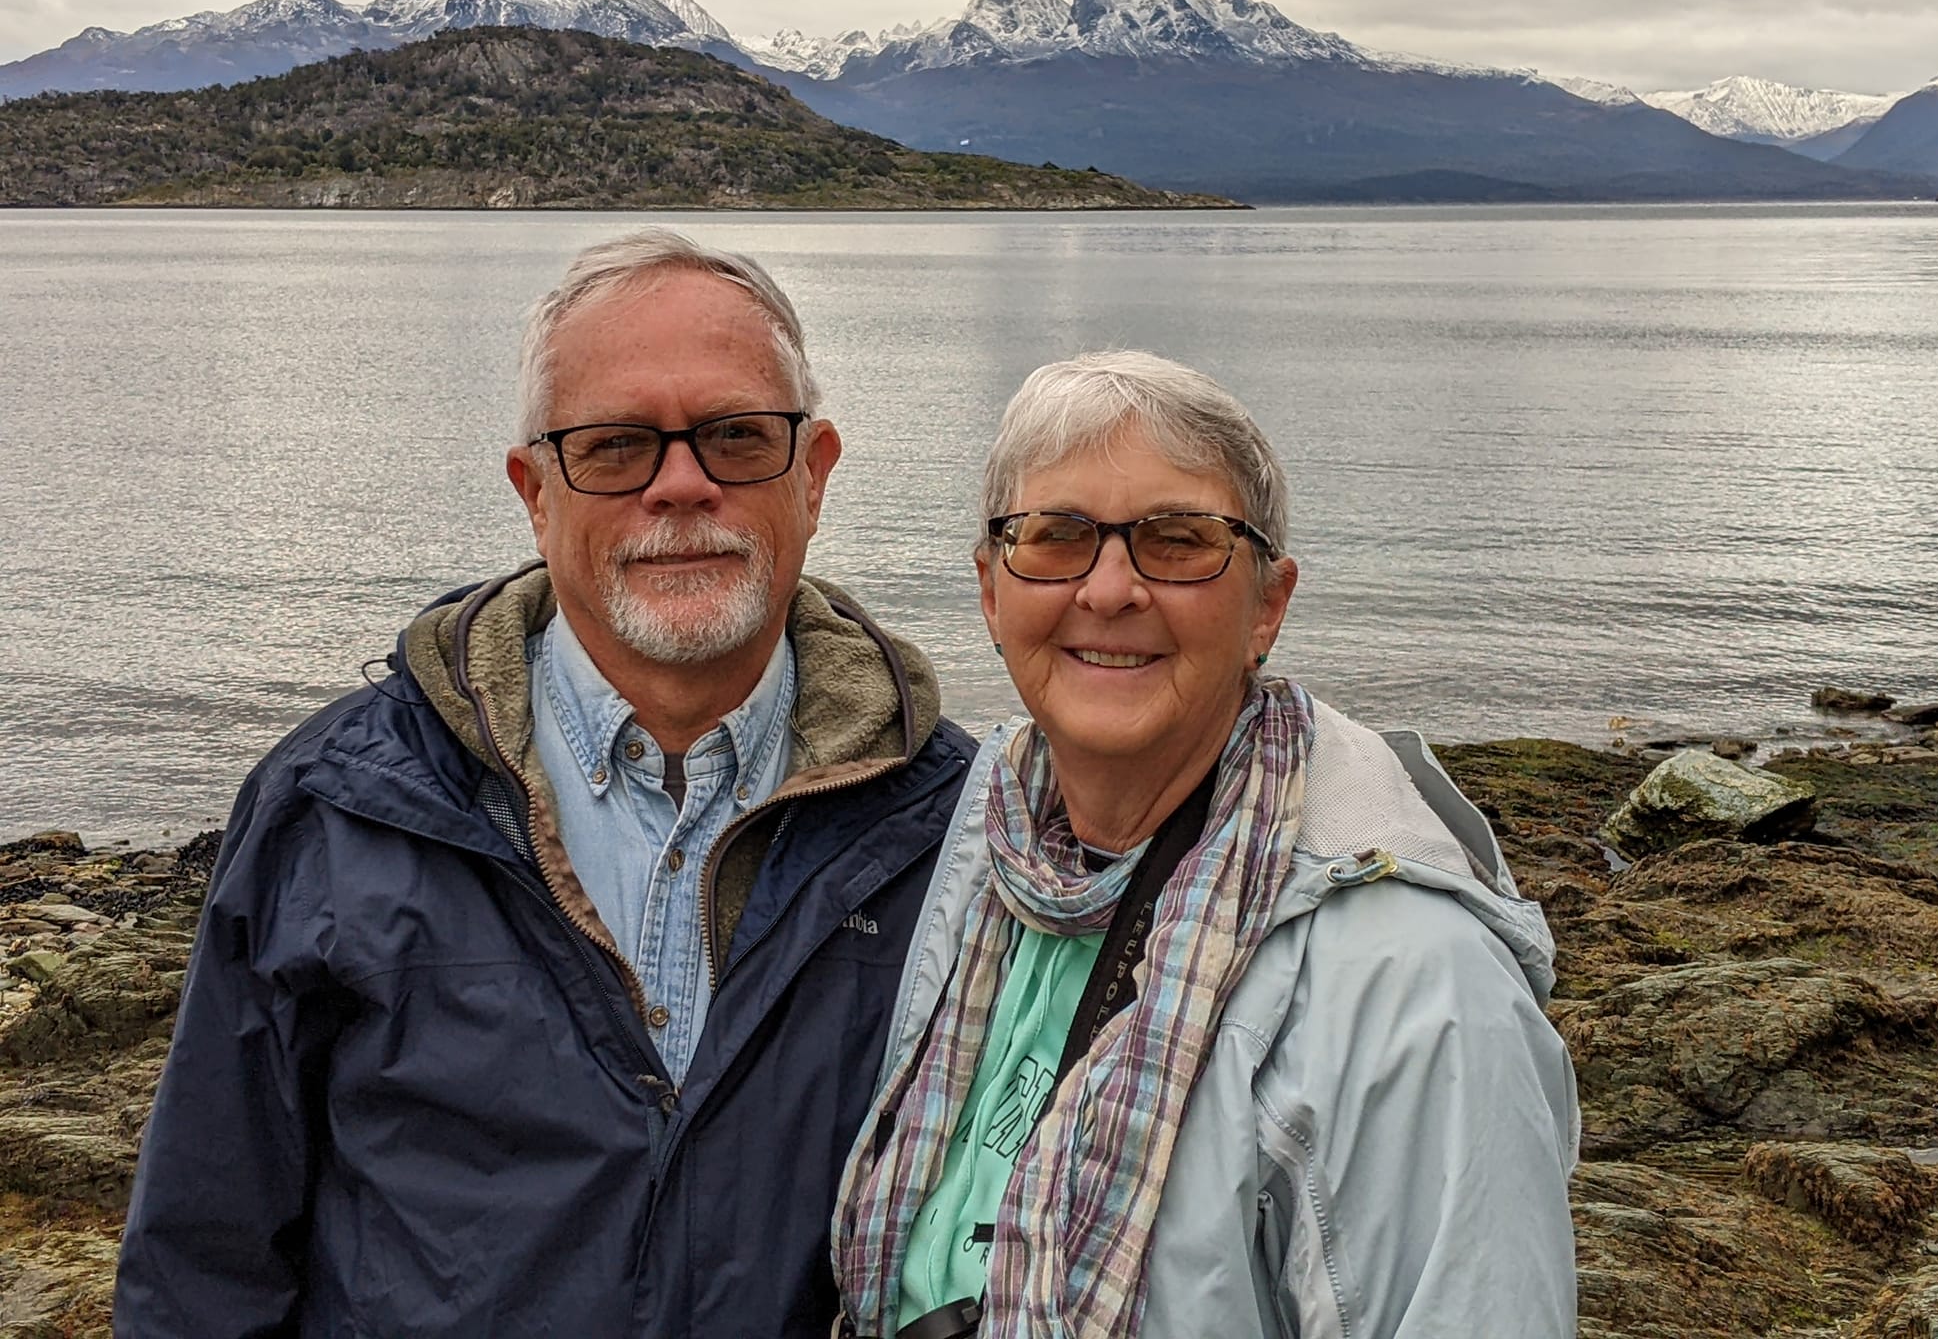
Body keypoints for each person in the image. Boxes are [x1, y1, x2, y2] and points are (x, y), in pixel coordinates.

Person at [115, 230, 973, 1337]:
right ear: (534, 490)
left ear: (813, 475)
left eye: (736, 437)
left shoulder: (953, 827)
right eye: (614, 446)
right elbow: (203, 1256)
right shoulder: (335, 805)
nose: (681, 485)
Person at [833, 351, 1579, 1339]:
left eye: (1178, 541)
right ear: (989, 590)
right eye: (1056, 537)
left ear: (1267, 604)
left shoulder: (1414, 989)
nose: (1108, 589)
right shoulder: (965, 860)